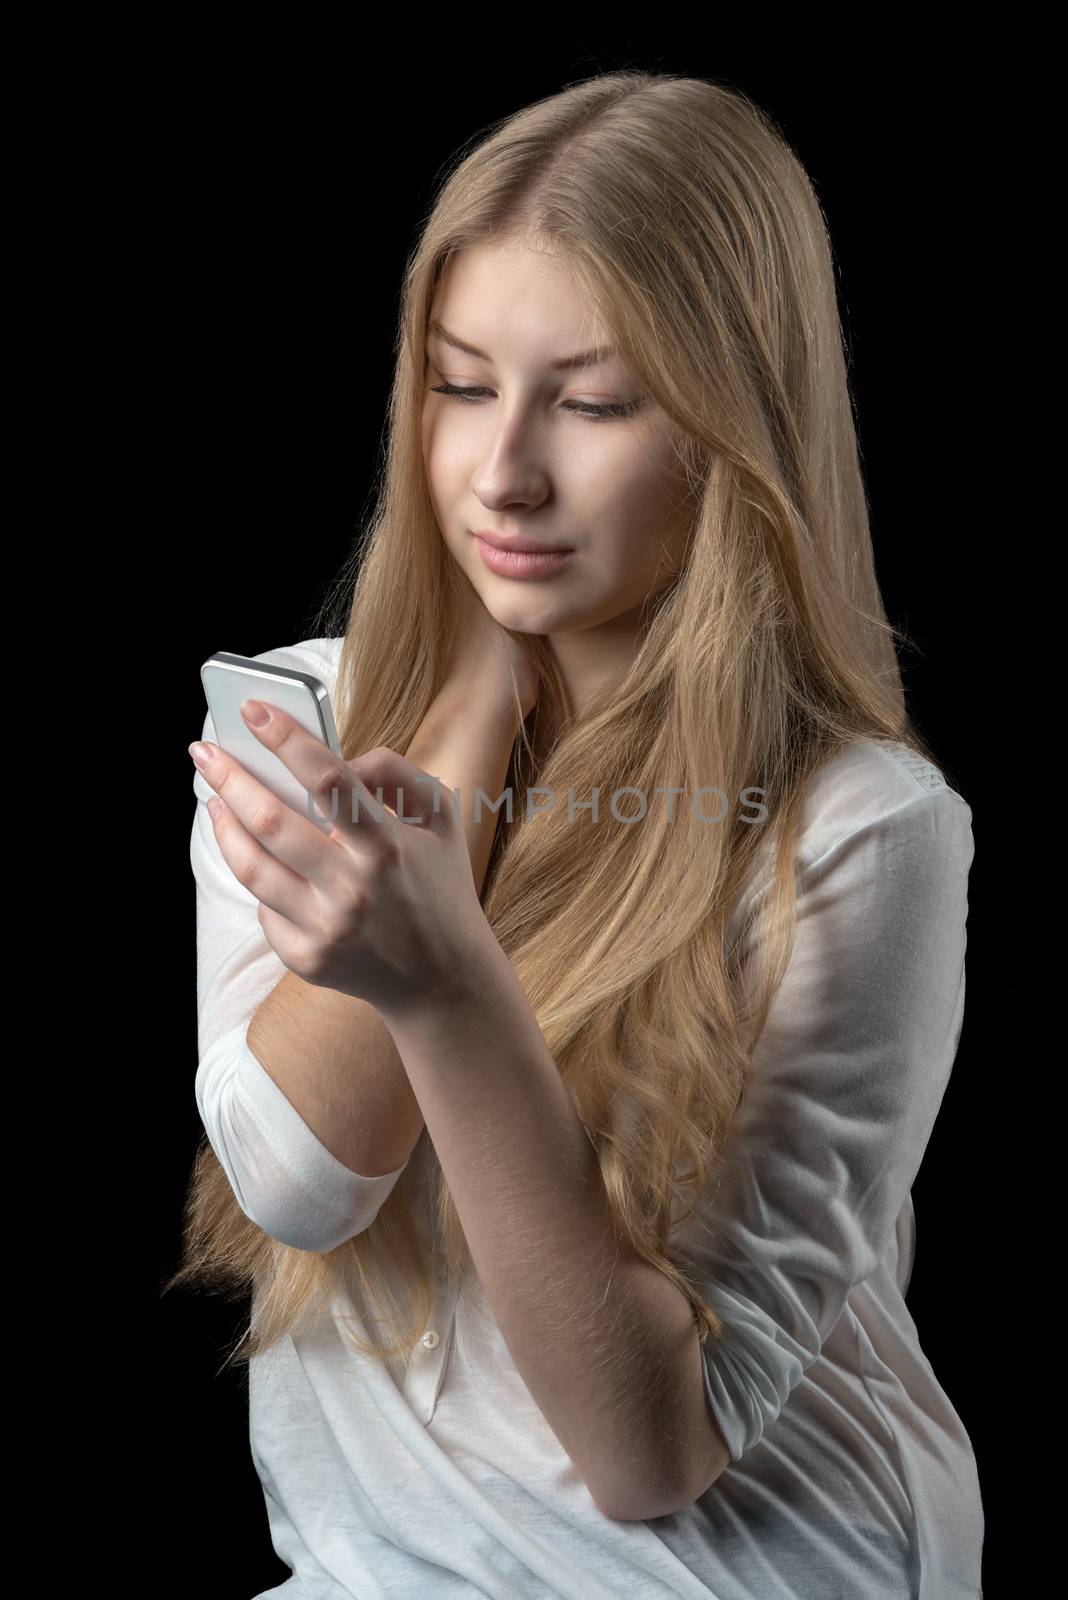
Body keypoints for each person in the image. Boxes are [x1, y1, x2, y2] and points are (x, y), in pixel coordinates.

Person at [166, 70, 983, 1599]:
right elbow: (295, 1180)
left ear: (737, 427)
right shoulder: (299, 723)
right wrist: (469, 712)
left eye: (594, 403)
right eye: (462, 386)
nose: (503, 472)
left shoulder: (862, 833)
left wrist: (447, 985)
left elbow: (651, 1449)